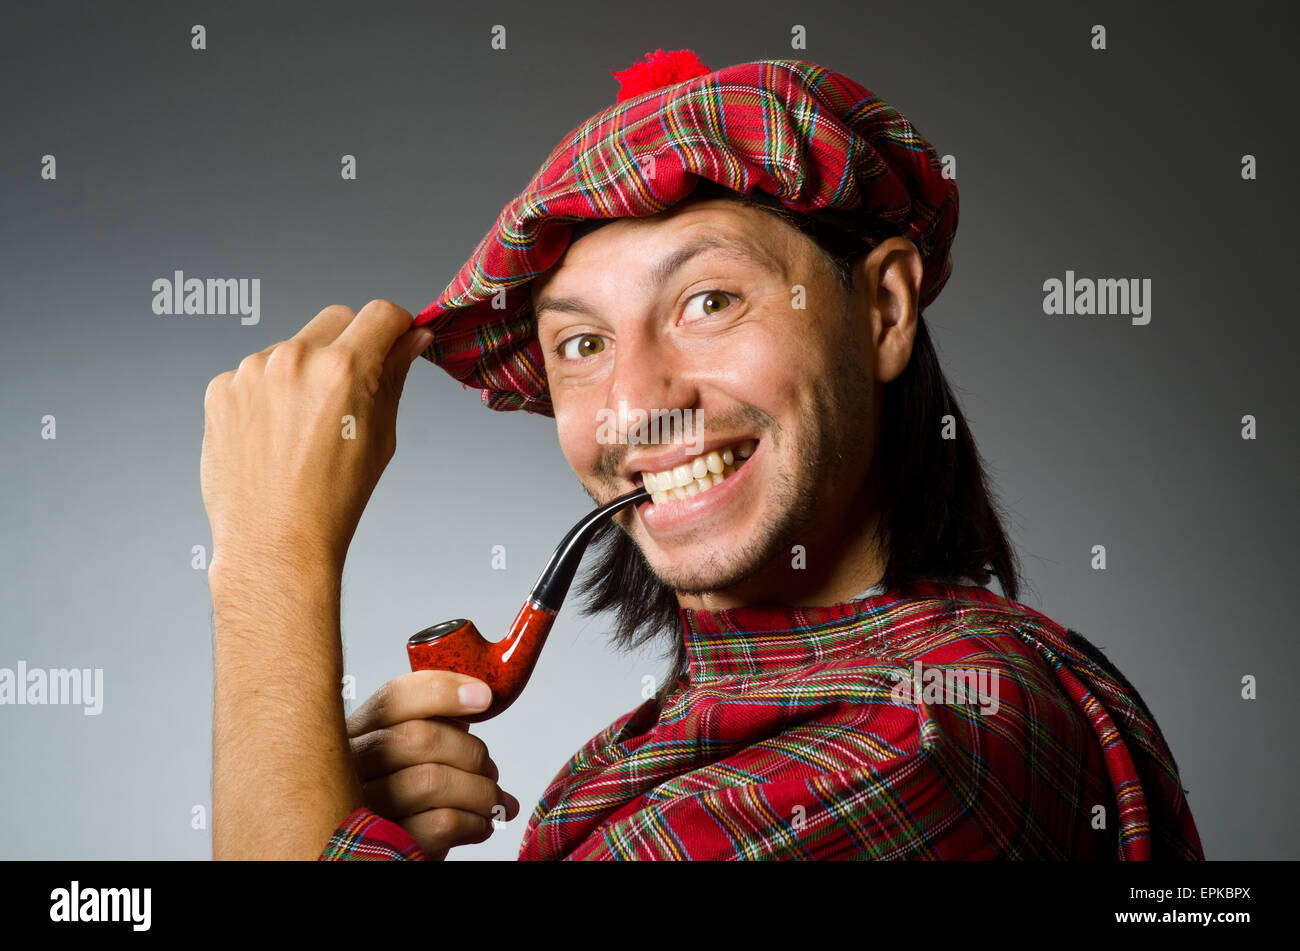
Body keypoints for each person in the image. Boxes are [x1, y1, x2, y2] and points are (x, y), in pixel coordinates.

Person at [202, 51, 1204, 860]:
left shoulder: (914, 743)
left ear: (884, 310)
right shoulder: (736, 722)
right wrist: (335, 814)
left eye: (709, 301)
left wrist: (268, 559)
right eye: (582, 345)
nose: (637, 405)